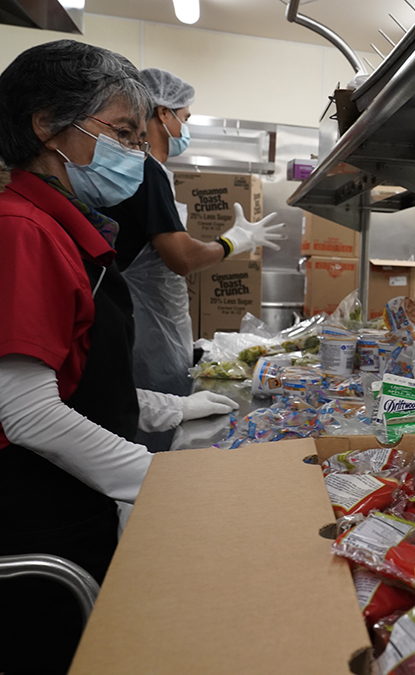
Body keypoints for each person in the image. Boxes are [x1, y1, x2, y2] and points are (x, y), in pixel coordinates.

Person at [0, 41, 238, 673]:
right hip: (39, 527)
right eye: (123, 134)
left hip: (72, 506)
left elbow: (76, 378)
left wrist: (171, 409)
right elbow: (26, 413)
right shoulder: (23, 230)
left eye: (139, 137)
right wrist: (160, 478)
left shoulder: (67, 229)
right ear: (46, 125)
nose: (136, 153)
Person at [100, 68, 285, 397]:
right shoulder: (145, 170)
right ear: (163, 113)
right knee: (157, 411)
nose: (184, 129)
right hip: (146, 330)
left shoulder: (147, 170)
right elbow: (182, 257)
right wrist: (232, 242)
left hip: (152, 323)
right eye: (184, 118)